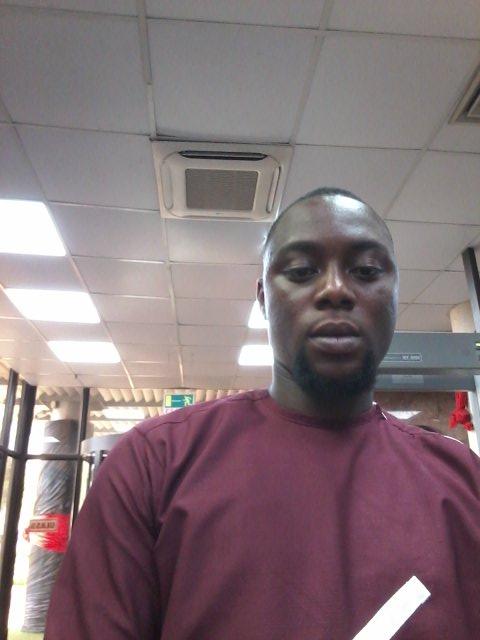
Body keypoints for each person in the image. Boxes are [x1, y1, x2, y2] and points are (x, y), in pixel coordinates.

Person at [45, 188, 480, 639]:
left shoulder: (463, 483)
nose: (335, 289)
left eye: (367, 270)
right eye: (302, 271)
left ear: (394, 295)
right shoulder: (154, 464)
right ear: (263, 299)